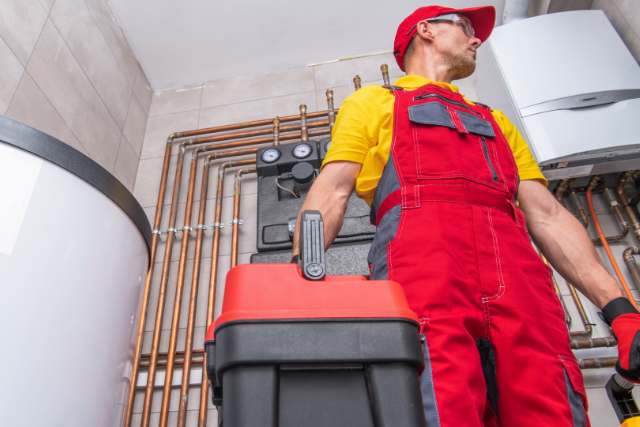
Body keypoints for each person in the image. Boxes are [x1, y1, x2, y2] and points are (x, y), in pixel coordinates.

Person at [291, 5, 640, 426]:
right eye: (466, 27)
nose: (477, 39)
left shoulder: (497, 121)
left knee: (551, 404)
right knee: (438, 403)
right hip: (424, 269)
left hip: (520, 278)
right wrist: (299, 283)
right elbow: (332, 189)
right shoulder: (373, 102)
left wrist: (621, 311)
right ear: (426, 31)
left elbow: (547, 215)